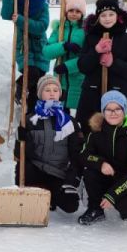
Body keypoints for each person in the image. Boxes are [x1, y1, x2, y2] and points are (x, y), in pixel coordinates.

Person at [15, 75, 84, 214]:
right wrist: (21, 139)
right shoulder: (30, 120)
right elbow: (20, 155)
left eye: (55, 90)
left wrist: (71, 181)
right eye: (47, 90)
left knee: (71, 206)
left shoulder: (70, 122)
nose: (52, 93)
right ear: (40, 94)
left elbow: (76, 155)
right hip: (36, 171)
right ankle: (38, 193)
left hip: (59, 174)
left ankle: (50, 196)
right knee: (26, 168)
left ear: (60, 94)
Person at [77, 91, 127, 226]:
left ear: (124, 110)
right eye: (108, 109)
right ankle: (95, 209)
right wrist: (100, 163)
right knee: (90, 172)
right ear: (103, 111)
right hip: (104, 175)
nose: (113, 113)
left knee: (126, 212)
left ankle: (122, 203)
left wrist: (113, 195)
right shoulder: (96, 130)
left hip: (126, 180)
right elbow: (84, 155)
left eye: (118, 109)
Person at [76, 0, 127, 125]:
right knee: (91, 135)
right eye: (103, 15)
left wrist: (114, 63)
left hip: (119, 98)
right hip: (92, 97)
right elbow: (82, 66)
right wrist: (96, 51)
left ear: (118, 16)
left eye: (111, 14)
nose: (107, 18)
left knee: (117, 137)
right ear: (98, 18)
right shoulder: (90, 38)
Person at [0, 0, 50, 109]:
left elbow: (41, 26)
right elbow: (5, 14)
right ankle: (20, 85)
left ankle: (30, 113)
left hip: (40, 47)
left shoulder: (42, 5)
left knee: (39, 79)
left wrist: (21, 20)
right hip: (23, 47)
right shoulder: (17, 0)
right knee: (31, 72)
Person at [43, 0, 87, 113]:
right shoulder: (59, 29)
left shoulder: (86, 31)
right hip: (60, 81)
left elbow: (87, 57)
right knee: (60, 116)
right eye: (71, 10)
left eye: (78, 11)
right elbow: (46, 52)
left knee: (79, 116)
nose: (74, 14)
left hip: (78, 80)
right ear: (66, 11)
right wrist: (64, 46)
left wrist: (68, 67)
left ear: (82, 13)